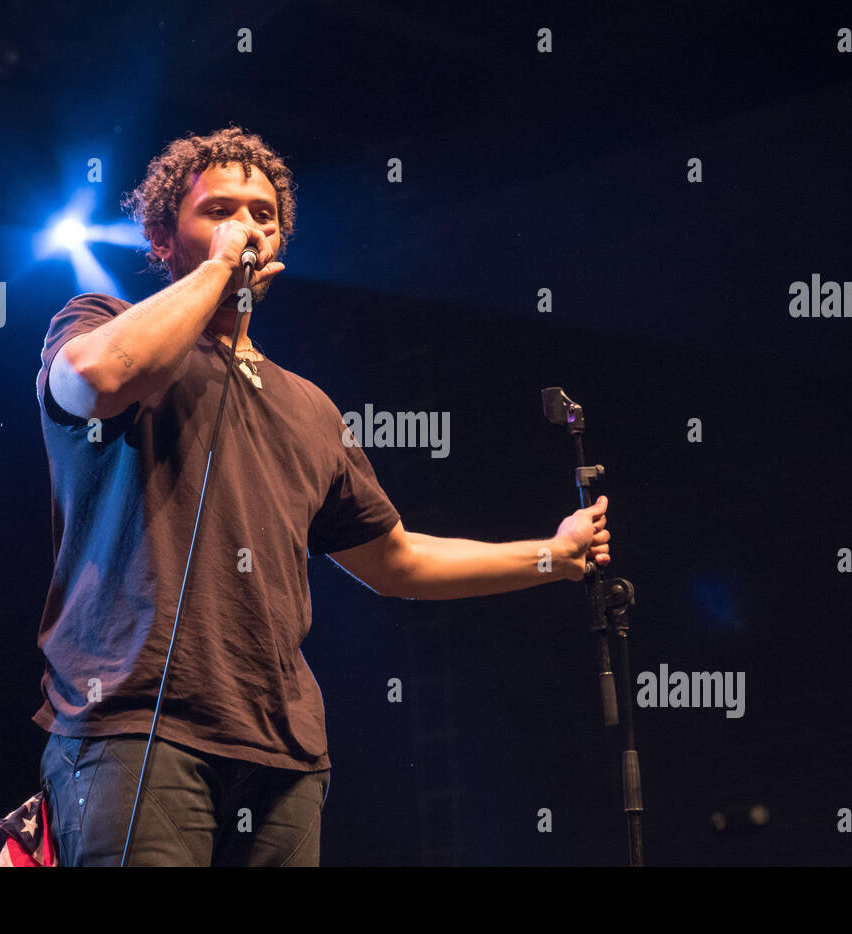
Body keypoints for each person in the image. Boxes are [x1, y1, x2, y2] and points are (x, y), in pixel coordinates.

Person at [31, 126, 610, 866]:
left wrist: (550, 558)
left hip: (284, 749)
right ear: (160, 236)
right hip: (134, 726)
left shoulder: (310, 408)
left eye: (262, 215)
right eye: (219, 212)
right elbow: (99, 381)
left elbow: (396, 561)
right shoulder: (98, 322)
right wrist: (215, 275)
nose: (245, 227)